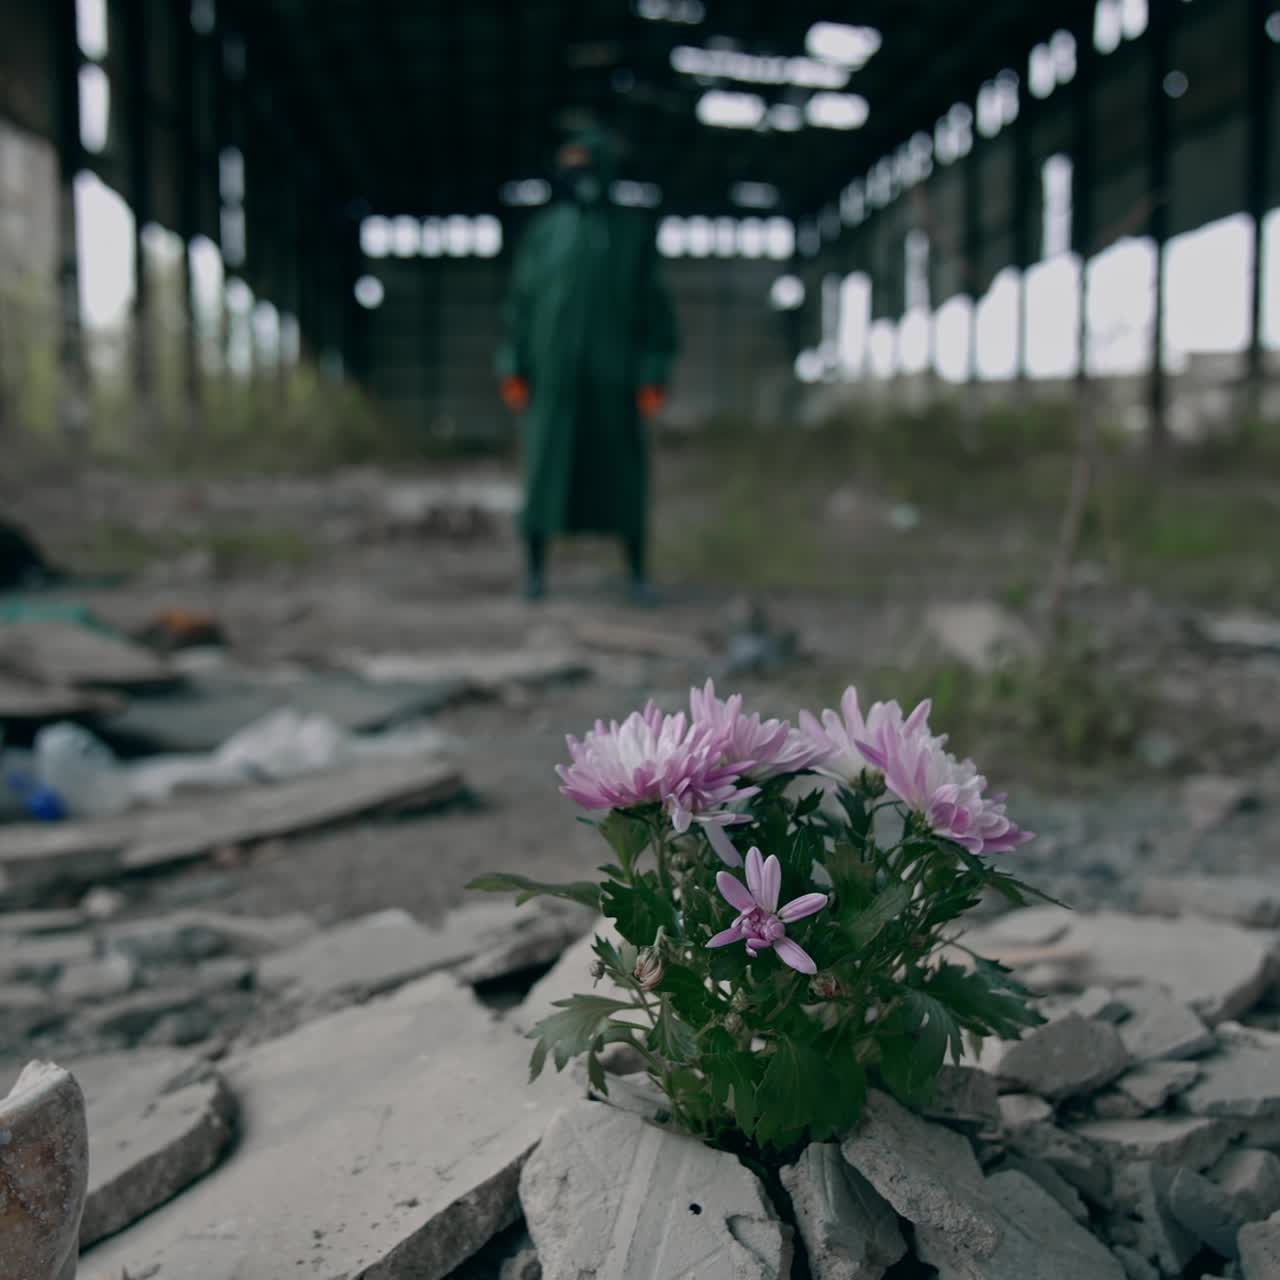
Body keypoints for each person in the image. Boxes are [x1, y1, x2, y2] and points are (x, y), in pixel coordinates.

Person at [496, 128, 679, 602]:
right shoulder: (544, 234)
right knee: (543, 476)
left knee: (623, 479)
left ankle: (637, 573)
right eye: (571, 169)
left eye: (587, 168)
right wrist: (511, 365)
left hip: (613, 384)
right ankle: (535, 572)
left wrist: (653, 374)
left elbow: (654, 313)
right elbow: (518, 307)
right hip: (552, 382)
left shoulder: (629, 234)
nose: (580, 179)